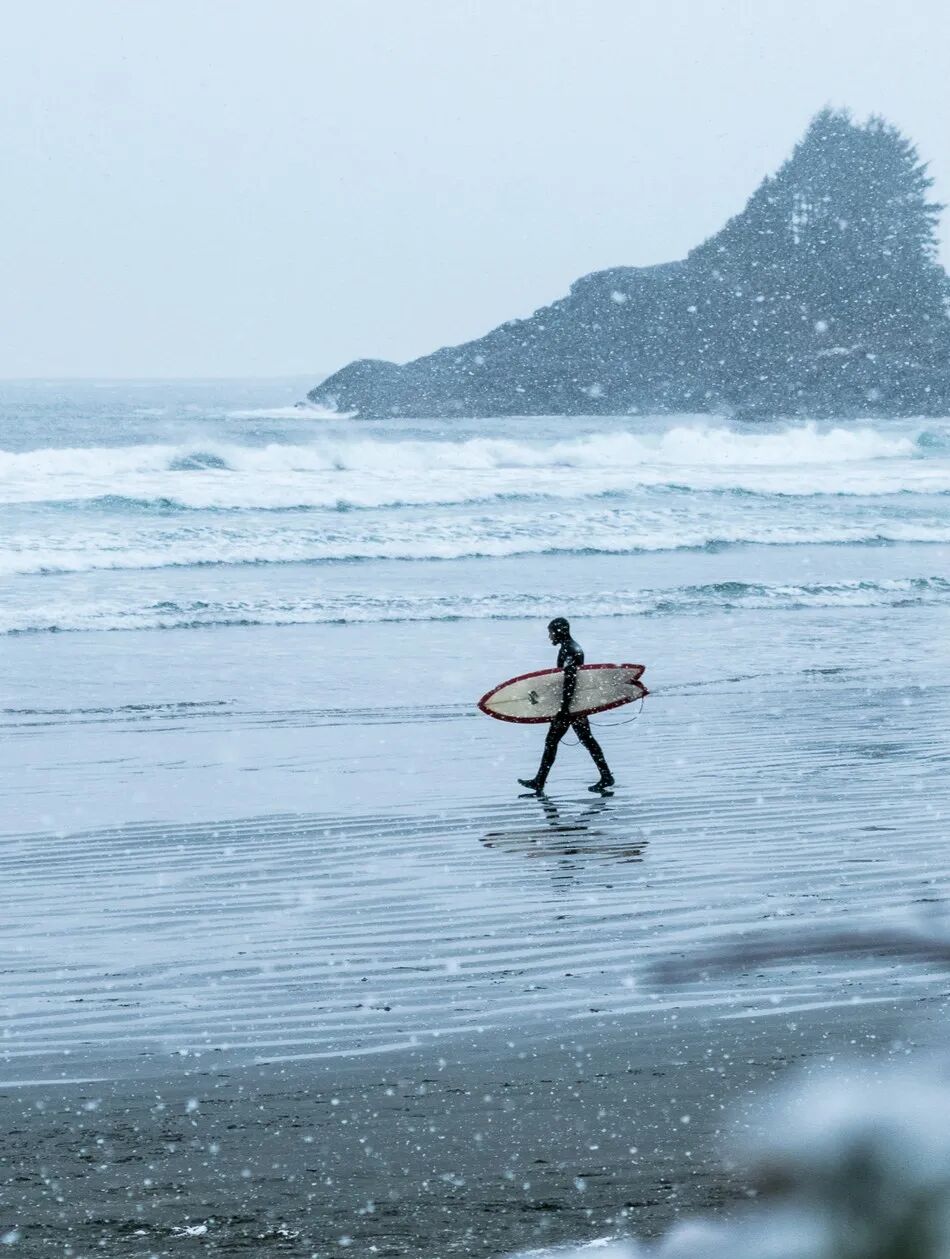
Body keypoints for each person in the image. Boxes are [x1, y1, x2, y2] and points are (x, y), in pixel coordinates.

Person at [518, 617, 615, 794]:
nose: (549, 636)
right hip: (574, 705)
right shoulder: (569, 648)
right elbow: (564, 680)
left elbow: (570, 681)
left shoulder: (570, 649)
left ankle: (539, 781)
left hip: (570, 707)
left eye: (551, 632)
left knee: (552, 742)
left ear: (559, 631)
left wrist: (564, 709)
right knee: (587, 740)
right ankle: (606, 776)